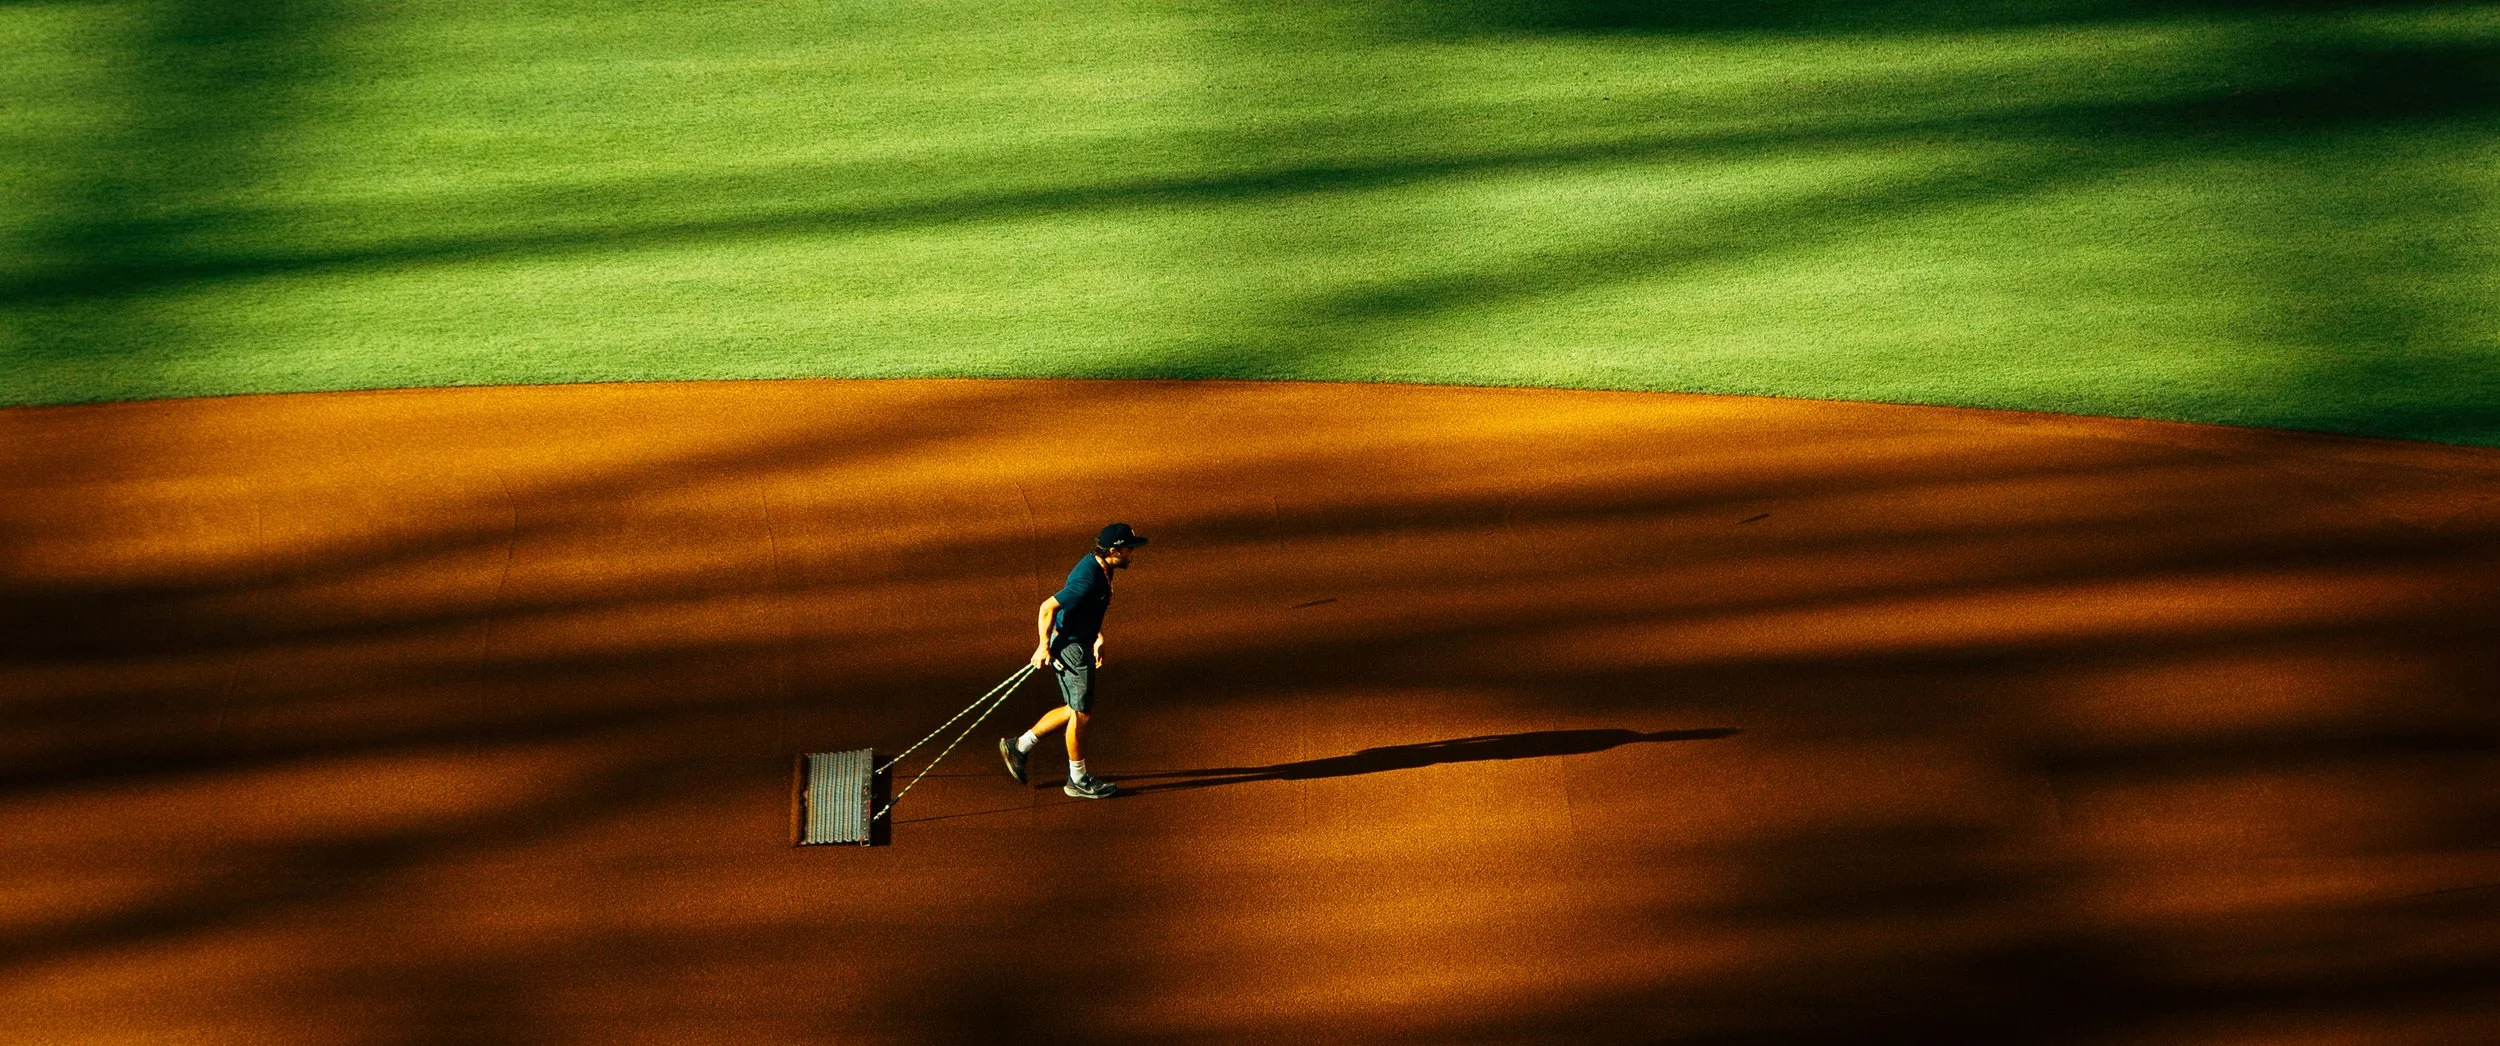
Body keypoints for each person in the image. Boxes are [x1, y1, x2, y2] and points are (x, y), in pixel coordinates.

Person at [1001, 523, 1146, 799]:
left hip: (1080, 643)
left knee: (1074, 708)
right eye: (1129, 549)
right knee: (1081, 713)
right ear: (1114, 550)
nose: (1132, 553)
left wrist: (1097, 636)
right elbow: (1048, 607)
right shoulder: (1089, 579)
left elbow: (1083, 611)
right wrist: (1043, 646)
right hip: (1072, 651)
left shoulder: (1100, 566)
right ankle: (1077, 780)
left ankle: (1018, 746)